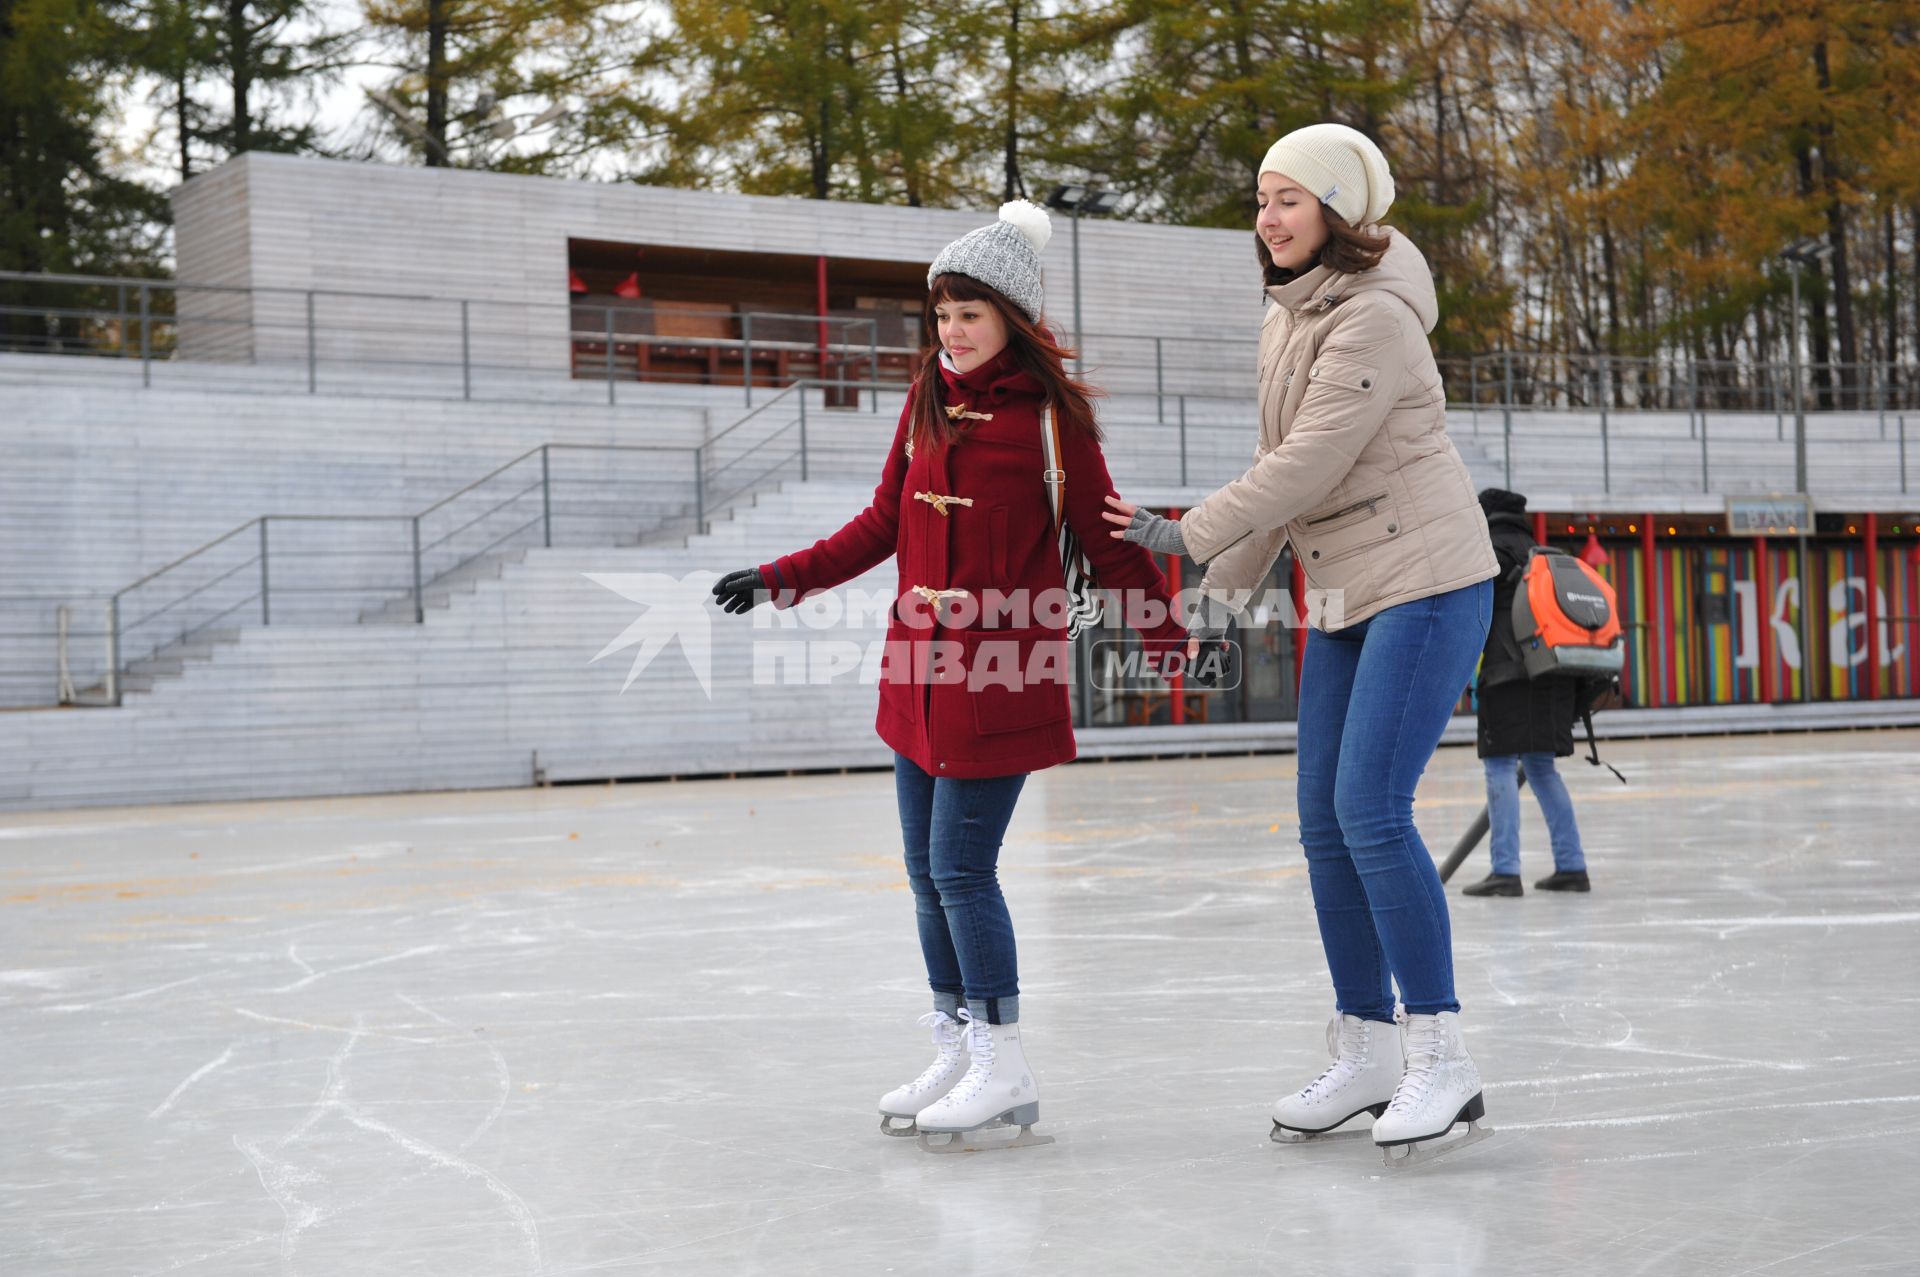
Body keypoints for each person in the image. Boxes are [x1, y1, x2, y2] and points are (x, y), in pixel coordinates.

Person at [711, 201, 1190, 1151]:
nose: (952, 331)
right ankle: (957, 1040)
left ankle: (1003, 1060)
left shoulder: (1055, 423)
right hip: (914, 675)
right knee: (925, 876)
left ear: (1012, 316)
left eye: (969, 313)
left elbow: (1110, 538)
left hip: (1002, 673)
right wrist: (780, 578)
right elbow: (884, 520)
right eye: (941, 314)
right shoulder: (927, 396)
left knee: (963, 870)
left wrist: (1166, 639)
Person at [1103, 123, 1499, 1166]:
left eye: (1288, 197)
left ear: (1340, 209)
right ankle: (1366, 1044)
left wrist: (1183, 531)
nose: (1267, 217)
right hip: (1344, 593)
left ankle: (1439, 1051)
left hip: (1426, 579)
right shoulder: (1289, 316)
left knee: (1370, 806)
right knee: (1323, 821)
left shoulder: (1374, 318)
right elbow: (1279, 470)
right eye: (1261, 197)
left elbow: (1309, 468)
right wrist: (1214, 606)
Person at [1463, 488, 1591, 897]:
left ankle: (1505, 870)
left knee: (1499, 767)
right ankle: (1572, 866)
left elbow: (1475, 620)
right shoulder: (1543, 556)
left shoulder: (1490, 554)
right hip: (1551, 677)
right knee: (1542, 769)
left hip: (1506, 679)